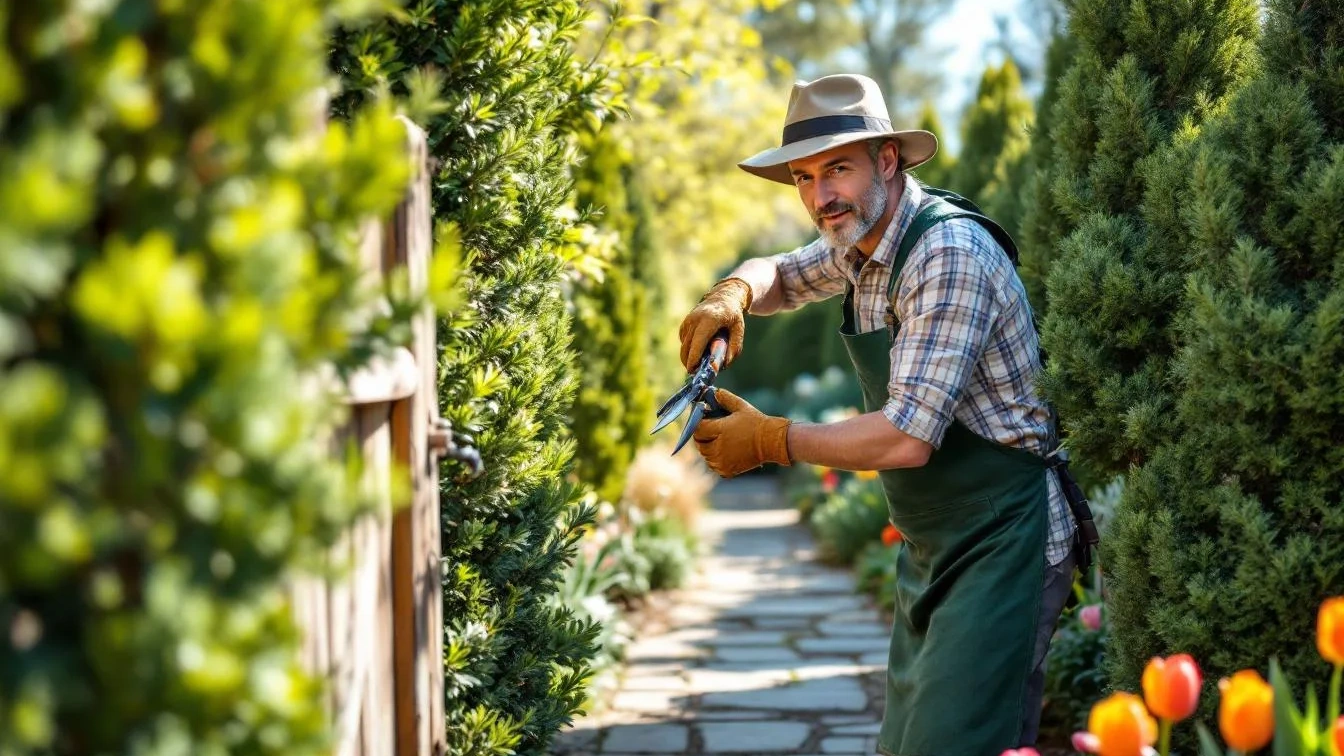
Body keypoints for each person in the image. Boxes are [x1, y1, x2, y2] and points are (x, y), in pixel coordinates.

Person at [679, 73, 1079, 756]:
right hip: (935, 543)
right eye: (804, 178)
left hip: (1007, 538)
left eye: (837, 169)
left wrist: (773, 440)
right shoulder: (860, 241)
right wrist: (734, 290)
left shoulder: (946, 255)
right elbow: (784, 274)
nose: (820, 197)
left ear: (887, 160)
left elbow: (907, 437)